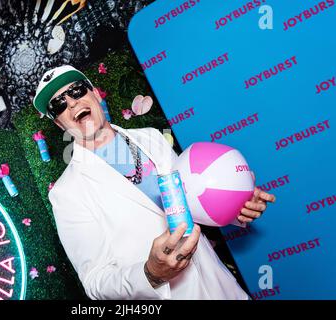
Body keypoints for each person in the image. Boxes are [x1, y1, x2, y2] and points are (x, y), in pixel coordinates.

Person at [33, 65, 276, 300]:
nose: (72, 102)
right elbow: (96, 281)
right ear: (59, 123)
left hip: (222, 288)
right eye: (59, 104)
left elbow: (191, 204)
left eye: (76, 90)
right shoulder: (68, 193)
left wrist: (236, 207)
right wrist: (150, 273)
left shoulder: (151, 137)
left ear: (95, 93)